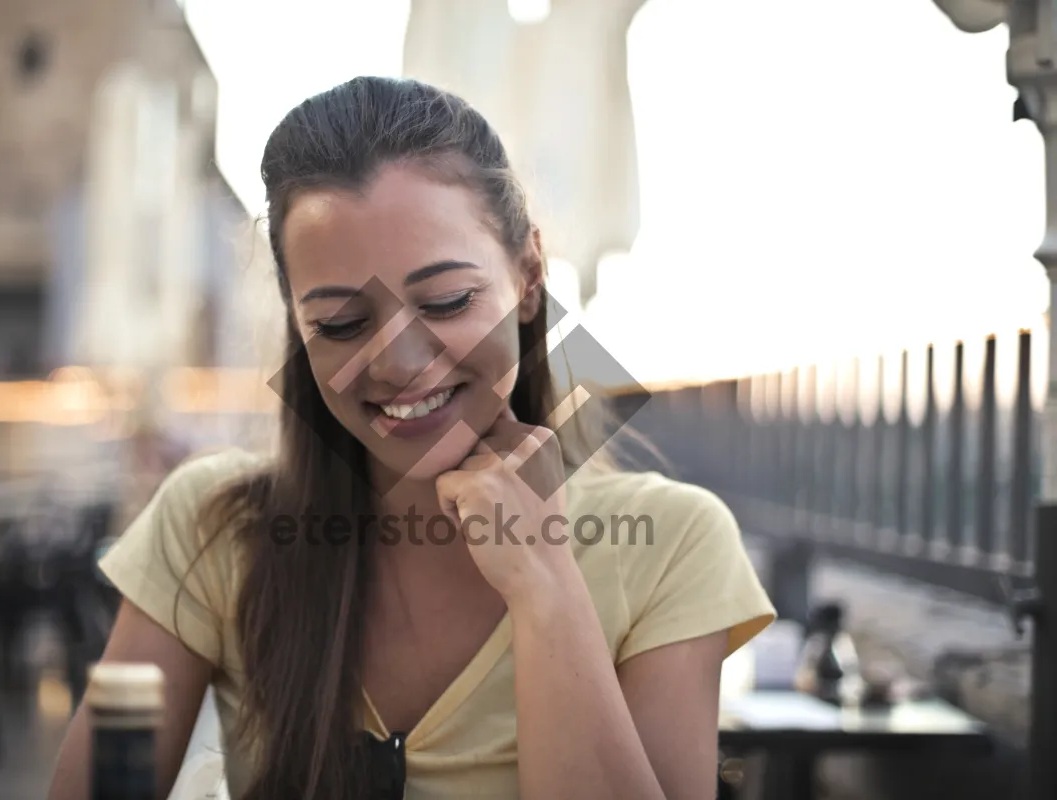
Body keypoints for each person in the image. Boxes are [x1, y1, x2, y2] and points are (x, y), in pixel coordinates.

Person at [48, 76, 776, 800]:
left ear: (528, 278)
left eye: (447, 301)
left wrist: (546, 587)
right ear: (299, 328)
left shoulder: (672, 544)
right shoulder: (203, 524)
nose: (399, 364)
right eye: (340, 323)